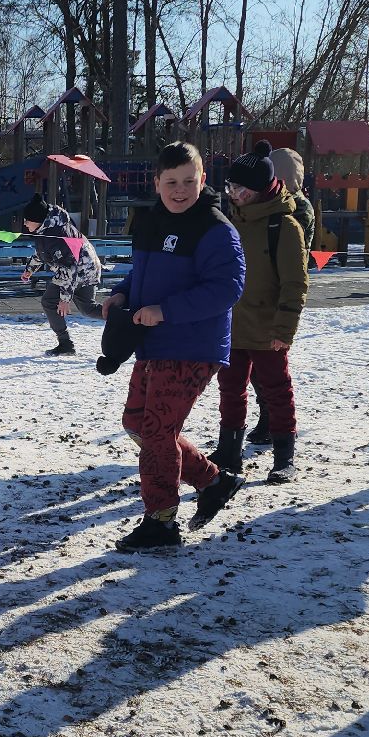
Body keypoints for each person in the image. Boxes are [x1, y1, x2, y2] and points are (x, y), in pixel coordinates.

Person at [101, 141, 246, 552]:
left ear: (203, 179)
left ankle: (161, 522)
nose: (180, 190)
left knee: (157, 432)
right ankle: (213, 482)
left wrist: (164, 311)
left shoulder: (216, 229)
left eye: (188, 181)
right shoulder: (152, 221)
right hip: (153, 343)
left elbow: (227, 288)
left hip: (192, 346)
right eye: (171, 182)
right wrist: (122, 294)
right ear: (157, 182)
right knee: (136, 423)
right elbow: (143, 274)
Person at [210, 142, 309, 484]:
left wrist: (284, 328)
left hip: (268, 329)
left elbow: (295, 283)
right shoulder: (229, 222)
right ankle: (229, 449)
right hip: (230, 326)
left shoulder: (284, 227)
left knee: (276, 391)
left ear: (260, 189)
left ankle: (285, 456)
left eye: (239, 189)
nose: (232, 194)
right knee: (230, 389)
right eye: (230, 188)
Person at [18, 194, 104, 356]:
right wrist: (30, 269)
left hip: (83, 269)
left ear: (37, 219)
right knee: (88, 308)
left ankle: (65, 344)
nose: (25, 223)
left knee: (49, 301)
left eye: (27, 220)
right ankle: (124, 318)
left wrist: (65, 300)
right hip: (82, 268)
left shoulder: (57, 235)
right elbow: (42, 253)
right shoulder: (45, 229)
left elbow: (69, 268)